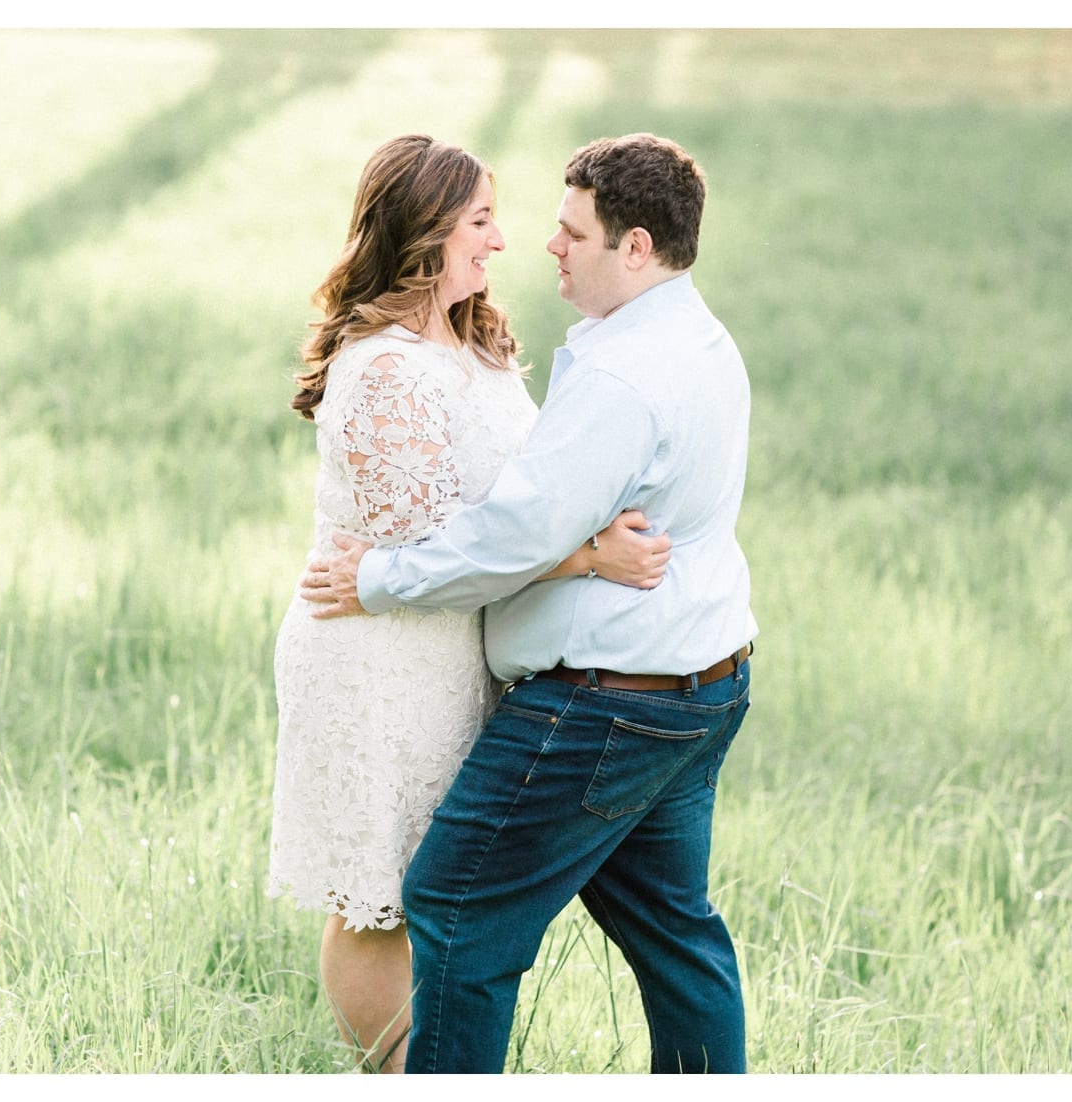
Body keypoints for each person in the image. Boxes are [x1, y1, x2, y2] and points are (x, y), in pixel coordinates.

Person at [300, 132, 757, 1074]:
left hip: (606, 701)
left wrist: (377, 579)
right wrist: (586, 553)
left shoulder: (625, 376)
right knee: (677, 936)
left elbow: (510, 535)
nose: (539, 244)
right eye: (495, 221)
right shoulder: (695, 338)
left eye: (569, 230)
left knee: (456, 907)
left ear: (635, 248)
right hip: (697, 684)